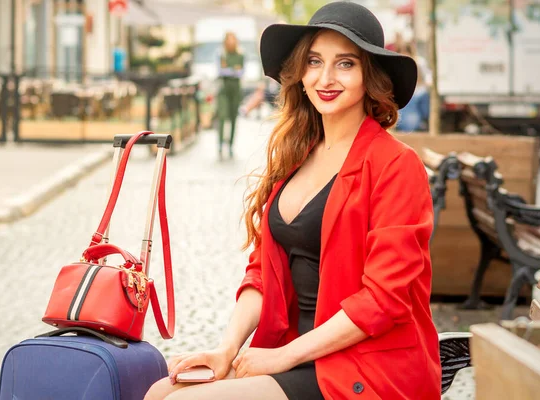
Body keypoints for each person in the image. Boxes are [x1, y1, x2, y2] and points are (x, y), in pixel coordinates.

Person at [146, 2, 440, 399]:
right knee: (159, 392)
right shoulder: (297, 156)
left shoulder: (396, 166)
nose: (326, 77)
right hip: (294, 353)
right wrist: (226, 350)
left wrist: (282, 357)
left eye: (346, 64)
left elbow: (382, 301)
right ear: (300, 73)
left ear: (370, 77)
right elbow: (262, 273)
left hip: (364, 366)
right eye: (315, 61)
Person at [216, 32, 244, 160]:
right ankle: (221, 145)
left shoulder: (240, 55)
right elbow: (221, 71)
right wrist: (233, 70)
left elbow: (240, 72)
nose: (231, 42)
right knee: (222, 117)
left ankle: (231, 146)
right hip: (223, 90)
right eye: (229, 40)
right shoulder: (221, 55)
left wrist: (229, 70)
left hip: (236, 91)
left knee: (233, 118)